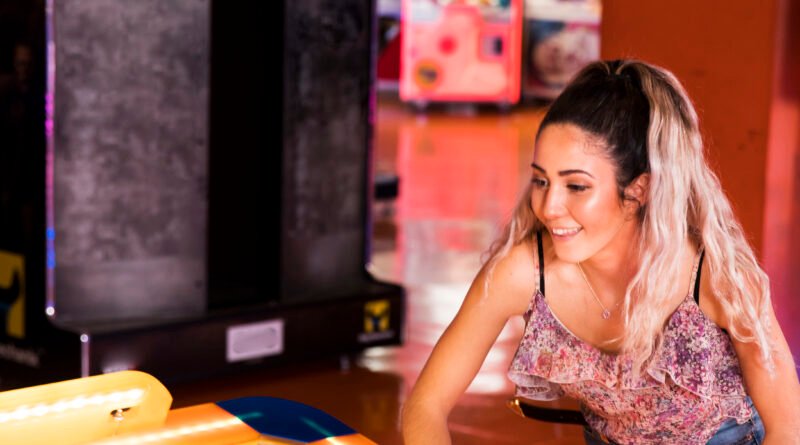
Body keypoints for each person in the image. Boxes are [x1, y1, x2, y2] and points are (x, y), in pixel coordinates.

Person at [400, 59, 800, 444]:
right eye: (541, 181)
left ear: (637, 190)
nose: (549, 206)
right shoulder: (524, 271)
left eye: (576, 186)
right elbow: (426, 405)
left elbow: (788, 431)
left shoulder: (712, 277)